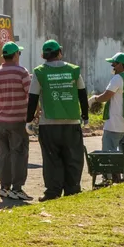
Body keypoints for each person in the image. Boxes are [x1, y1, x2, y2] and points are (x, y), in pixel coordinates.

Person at [26, 39, 89, 201]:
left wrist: (29, 120)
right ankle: (72, 189)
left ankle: (52, 192)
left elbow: (32, 98)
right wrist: (85, 115)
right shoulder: (74, 70)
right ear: (59, 53)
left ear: (43, 56)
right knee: (73, 157)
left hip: (49, 125)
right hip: (71, 123)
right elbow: (82, 93)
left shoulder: (39, 72)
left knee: (51, 159)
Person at [0, 41, 32, 202]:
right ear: (15, 55)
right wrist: (32, 116)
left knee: (5, 155)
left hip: (2, 121)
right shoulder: (22, 72)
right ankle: (17, 188)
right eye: (18, 53)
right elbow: (30, 96)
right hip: (18, 121)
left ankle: (4, 188)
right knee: (19, 155)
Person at [88, 52, 124, 183]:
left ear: (120, 65)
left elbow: (107, 95)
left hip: (115, 124)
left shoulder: (118, 78)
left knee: (108, 153)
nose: (112, 66)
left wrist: (94, 99)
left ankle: (108, 178)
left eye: (114, 64)